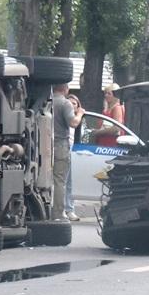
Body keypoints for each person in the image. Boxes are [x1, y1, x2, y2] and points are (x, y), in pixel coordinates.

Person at [52, 83, 83, 221]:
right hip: (60, 145)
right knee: (60, 180)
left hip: (44, 145)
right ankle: (58, 213)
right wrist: (80, 114)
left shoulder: (46, 100)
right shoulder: (65, 103)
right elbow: (73, 123)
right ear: (65, 89)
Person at [64, 93, 82, 222]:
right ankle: (65, 209)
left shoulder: (80, 120)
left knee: (70, 182)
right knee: (64, 181)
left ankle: (69, 209)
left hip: (76, 151)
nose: (71, 105)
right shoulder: (68, 118)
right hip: (65, 149)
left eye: (74, 104)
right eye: (69, 103)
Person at [96, 83, 124, 147]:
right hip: (104, 144)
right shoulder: (107, 108)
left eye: (109, 93)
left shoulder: (117, 108)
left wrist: (98, 132)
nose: (106, 95)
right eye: (105, 93)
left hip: (112, 145)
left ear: (115, 95)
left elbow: (116, 128)